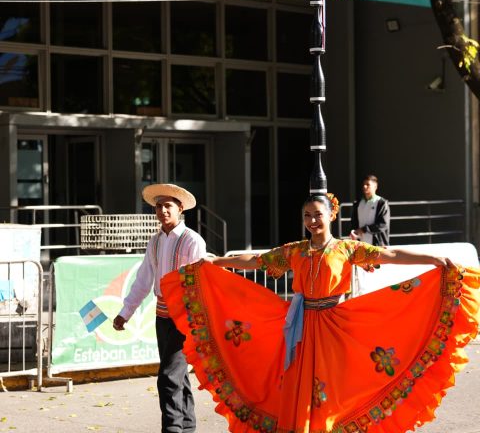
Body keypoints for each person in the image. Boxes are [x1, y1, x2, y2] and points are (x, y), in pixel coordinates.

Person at [160, 193, 480, 433]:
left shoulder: (347, 249)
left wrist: (433, 260)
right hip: (300, 327)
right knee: (298, 387)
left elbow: (390, 253)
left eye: (318, 214)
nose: (312, 220)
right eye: (307, 215)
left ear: (332, 215)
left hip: (334, 326)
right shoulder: (296, 251)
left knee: (333, 390)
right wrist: (217, 262)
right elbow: (256, 260)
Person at [113, 183, 206, 433]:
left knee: (169, 377)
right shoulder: (154, 241)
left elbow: (200, 282)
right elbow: (144, 279)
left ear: (180, 209)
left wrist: (195, 320)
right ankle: (186, 427)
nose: (162, 211)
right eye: (158, 206)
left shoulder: (192, 240)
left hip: (184, 317)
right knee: (177, 375)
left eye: (168, 206)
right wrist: (125, 312)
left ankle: (173, 429)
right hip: (162, 316)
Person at [350, 174, 390, 246]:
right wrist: (354, 232)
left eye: (368, 184)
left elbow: (383, 224)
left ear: (375, 187)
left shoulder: (382, 203)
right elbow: (354, 222)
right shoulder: (358, 203)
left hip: (377, 245)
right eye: (364, 184)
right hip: (361, 244)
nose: (364, 186)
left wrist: (365, 229)